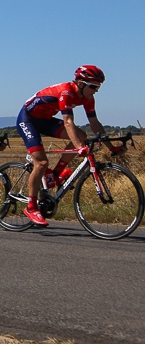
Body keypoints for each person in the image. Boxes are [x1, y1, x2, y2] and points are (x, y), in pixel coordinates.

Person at [17, 65, 124, 227]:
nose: (96, 90)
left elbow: (94, 123)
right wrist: (79, 147)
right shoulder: (66, 91)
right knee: (41, 163)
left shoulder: (88, 98)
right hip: (28, 120)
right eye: (93, 86)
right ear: (80, 83)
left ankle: (56, 174)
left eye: (99, 87)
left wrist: (111, 147)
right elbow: (68, 122)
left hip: (45, 120)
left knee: (82, 135)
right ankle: (31, 207)